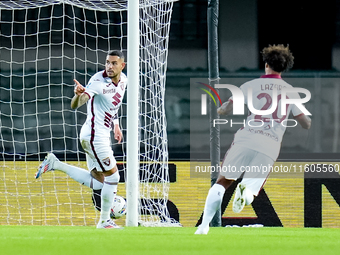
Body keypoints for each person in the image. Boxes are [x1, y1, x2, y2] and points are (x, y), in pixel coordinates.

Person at [195, 45, 311, 234]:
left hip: (247, 138)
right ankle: (246, 192)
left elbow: (226, 109)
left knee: (223, 182)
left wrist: (219, 109)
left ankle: (204, 225)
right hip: (270, 145)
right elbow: (305, 123)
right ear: (283, 68)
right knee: (251, 190)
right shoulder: (291, 91)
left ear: (266, 65)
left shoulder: (250, 85)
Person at [35, 50, 127, 229]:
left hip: (97, 136)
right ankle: (104, 222)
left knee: (100, 182)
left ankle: (56, 164)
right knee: (113, 176)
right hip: (95, 136)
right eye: (107, 62)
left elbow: (114, 104)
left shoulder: (124, 81)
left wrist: (115, 124)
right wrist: (78, 94)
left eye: (114, 63)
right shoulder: (97, 82)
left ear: (122, 66)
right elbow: (75, 104)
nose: (109, 66)